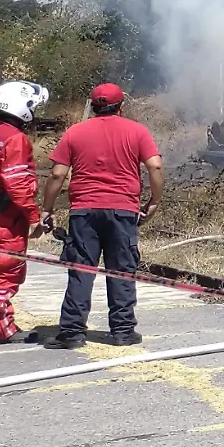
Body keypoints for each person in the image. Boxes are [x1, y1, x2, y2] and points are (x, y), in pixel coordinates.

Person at [42, 83, 162, 349]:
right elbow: (155, 165)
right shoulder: (137, 131)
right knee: (121, 269)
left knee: (81, 271)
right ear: (121, 106)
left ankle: (72, 332)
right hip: (123, 211)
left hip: (84, 212)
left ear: (93, 106)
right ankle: (122, 331)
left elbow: (56, 174)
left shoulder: (75, 132)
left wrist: (47, 209)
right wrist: (154, 201)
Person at [0, 80, 49, 344]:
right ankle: (0, 329)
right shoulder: (14, 138)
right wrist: (34, 216)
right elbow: (17, 184)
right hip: (6, 215)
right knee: (6, 270)